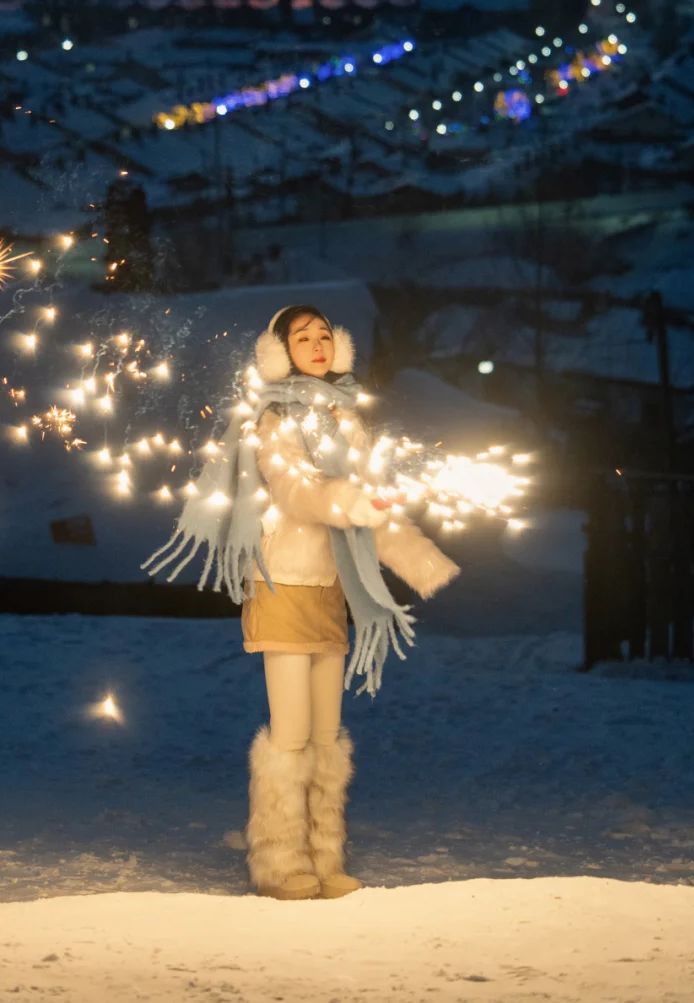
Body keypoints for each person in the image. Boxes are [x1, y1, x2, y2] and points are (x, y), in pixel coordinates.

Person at [143, 303, 460, 902]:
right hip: (283, 579)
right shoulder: (272, 417)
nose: (315, 344)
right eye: (301, 336)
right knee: (289, 735)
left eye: (323, 335)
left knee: (325, 734)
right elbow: (295, 490)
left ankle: (323, 859)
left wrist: (424, 564)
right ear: (280, 351)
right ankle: (280, 865)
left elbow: (369, 507)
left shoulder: (347, 416)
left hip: (332, 587)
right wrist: (352, 504)